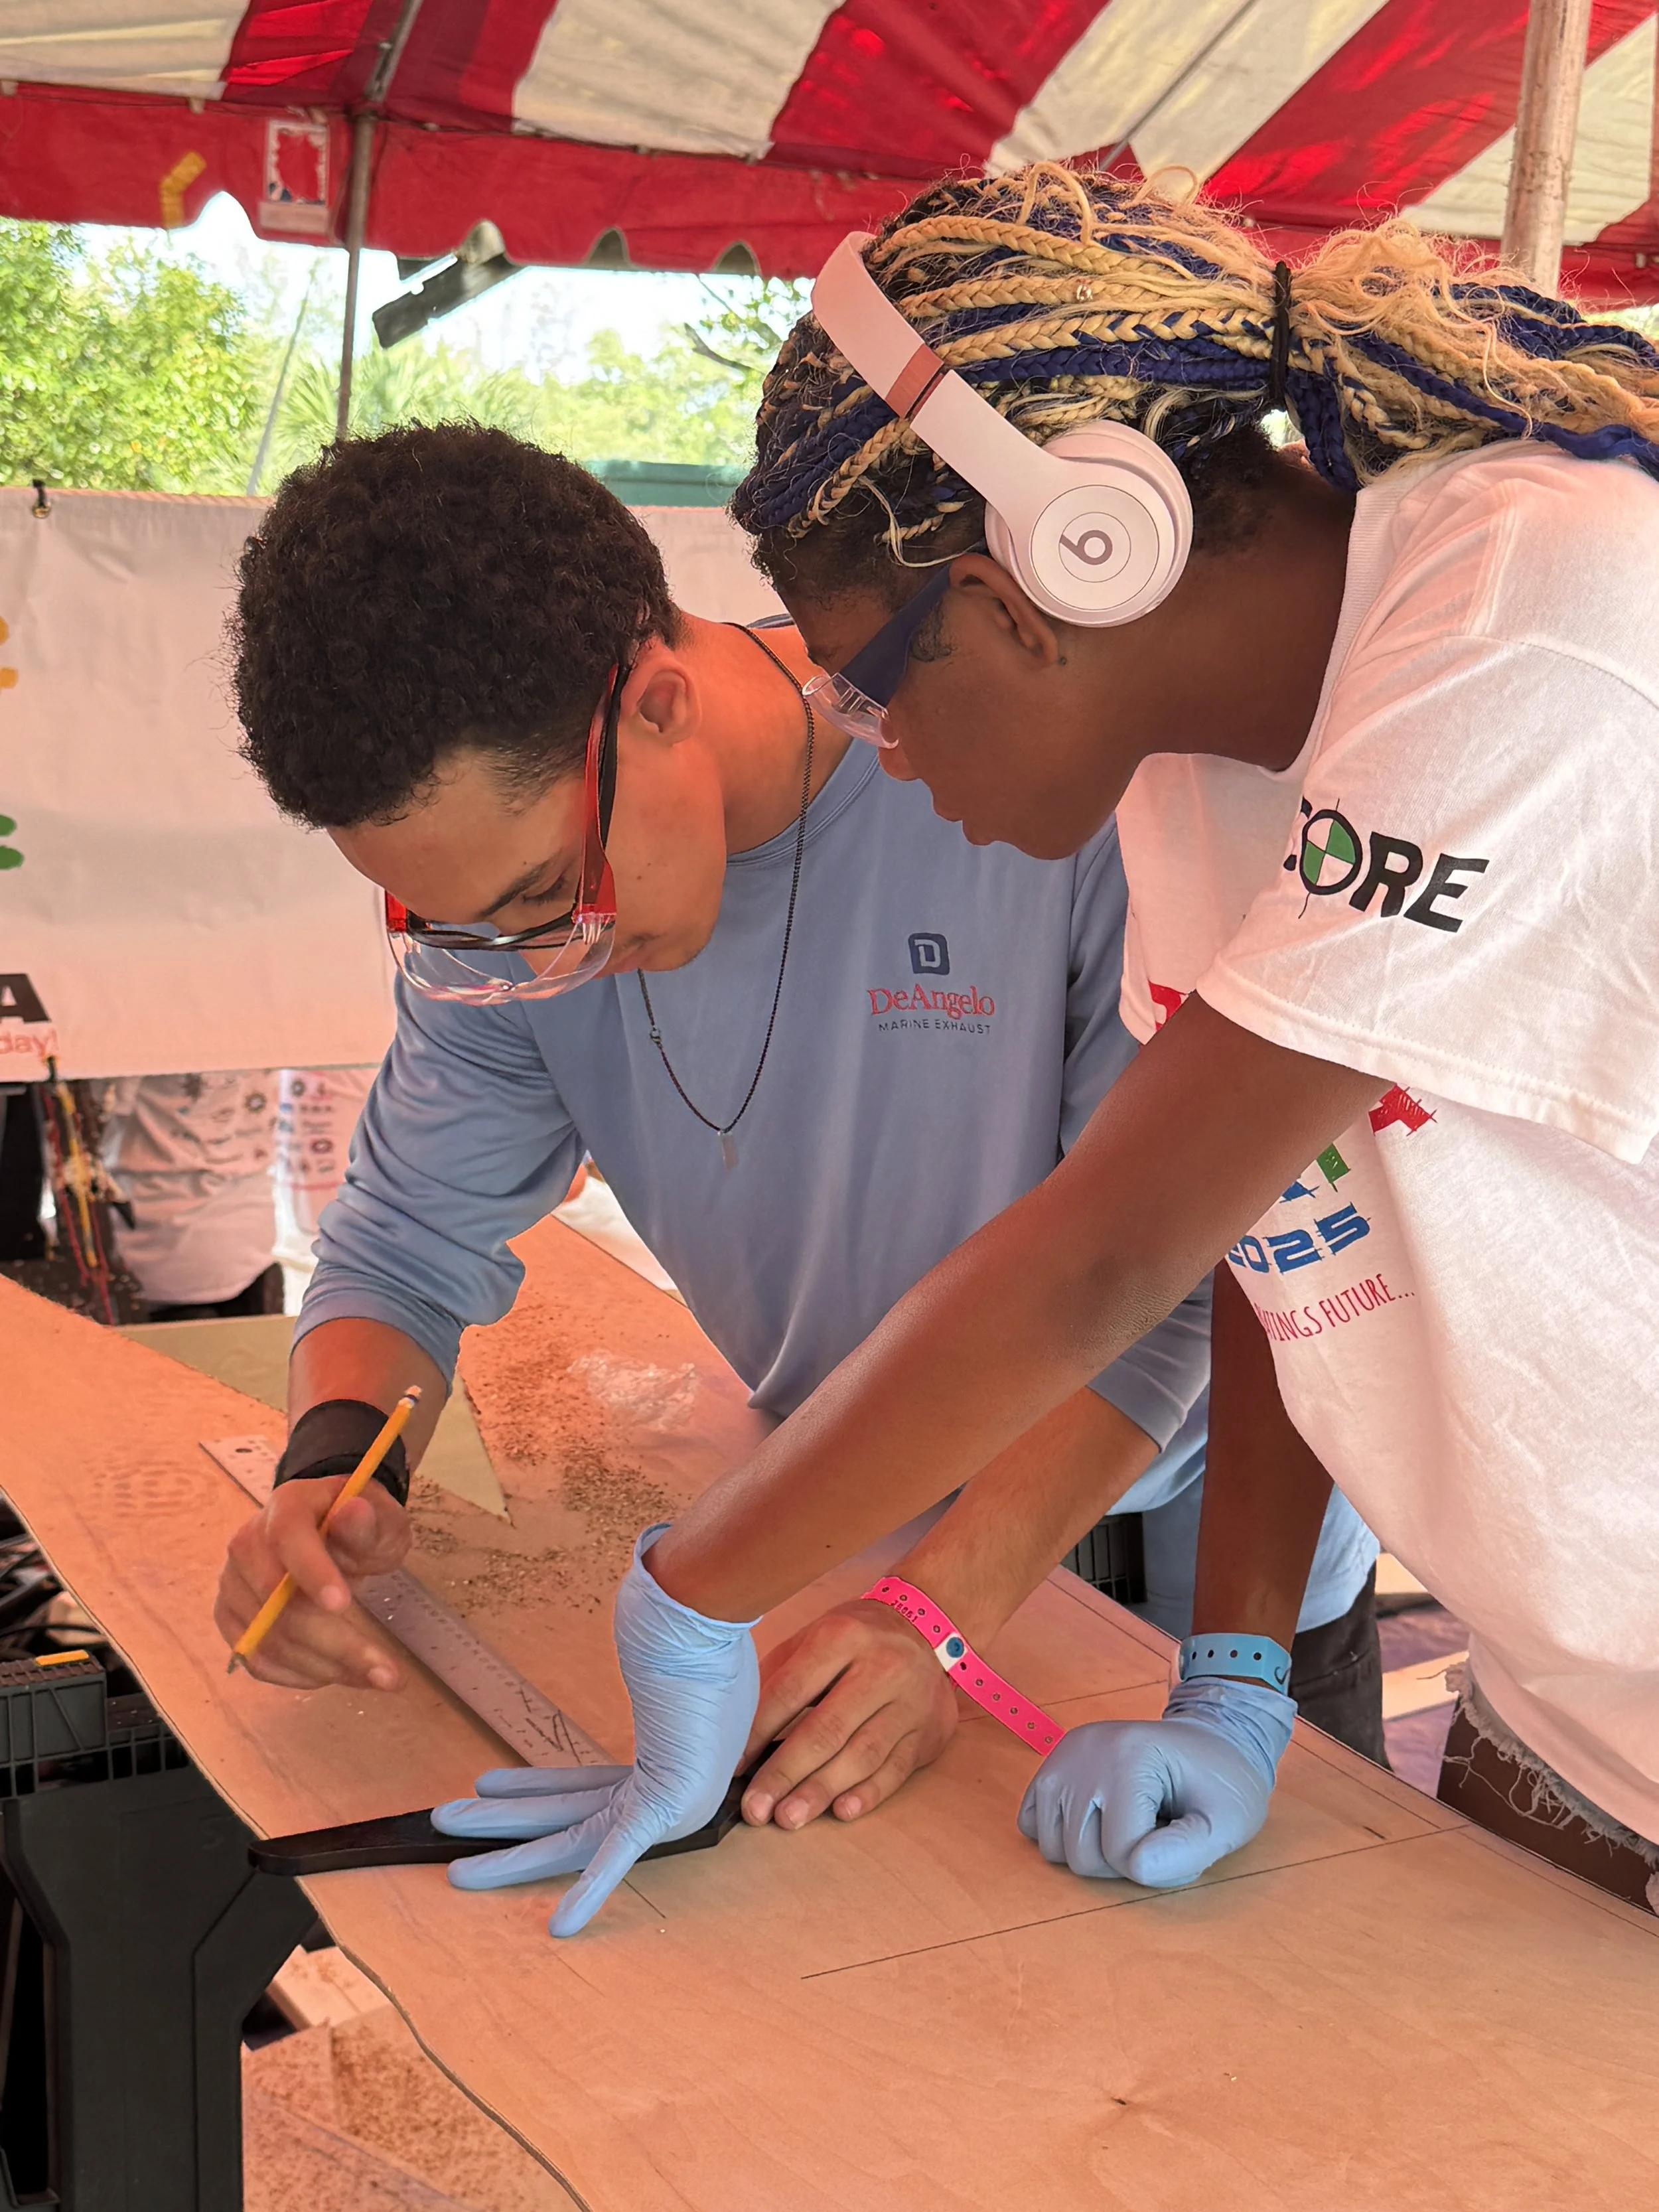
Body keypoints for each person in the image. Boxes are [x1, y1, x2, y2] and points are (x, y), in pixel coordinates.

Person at [498, 163, 1659, 1938]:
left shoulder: (1527, 624)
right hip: (1566, 1732)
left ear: (1050, 573)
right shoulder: (1201, 773)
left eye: (873, 674)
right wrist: (1238, 1672)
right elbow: (1291, 1220)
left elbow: (1106, 1253)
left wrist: (694, 1593)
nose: (874, 746)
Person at [212, 425, 1381, 1850]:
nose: (532, 967)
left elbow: (1166, 1270)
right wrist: (337, 1467)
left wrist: (940, 1612)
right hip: (850, 1556)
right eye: (458, 928)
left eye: (544, 894)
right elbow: (399, 1242)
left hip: (1185, 1581)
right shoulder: (508, 941)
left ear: (652, 705)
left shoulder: (1021, 761)